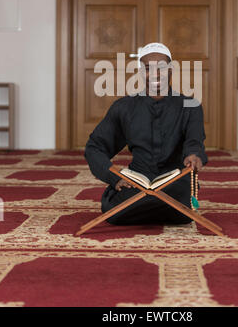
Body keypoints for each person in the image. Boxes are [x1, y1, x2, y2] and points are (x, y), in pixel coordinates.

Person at [84, 42, 208, 225]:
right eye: (148, 69)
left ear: (171, 70)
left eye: (162, 68)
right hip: (137, 180)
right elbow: (95, 146)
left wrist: (194, 156)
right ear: (141, 72)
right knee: (114, 208)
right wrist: (114, 177)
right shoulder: (124, 107)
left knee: (176, 201)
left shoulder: (191, 105)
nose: (155, 74)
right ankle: (155, 204)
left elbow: (194, 142)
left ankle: (145, 204)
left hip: (173, 179)